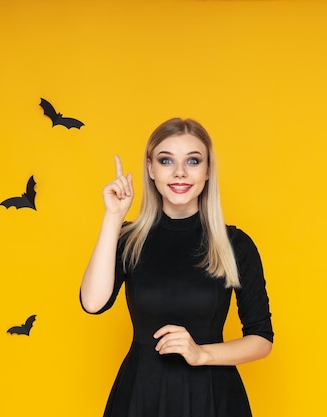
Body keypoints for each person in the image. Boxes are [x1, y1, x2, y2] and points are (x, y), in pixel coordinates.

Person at [80, 117, 274, 417]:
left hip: (212, 395)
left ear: (207, 170)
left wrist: (201, 354)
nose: (180, 172)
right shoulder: (128, 239)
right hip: (141, 393)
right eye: (166, 160)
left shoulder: (235, 243)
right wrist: (113, 217)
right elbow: (93, 303)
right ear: (150, 169)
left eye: (193, 161)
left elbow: (261, 339)